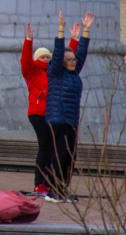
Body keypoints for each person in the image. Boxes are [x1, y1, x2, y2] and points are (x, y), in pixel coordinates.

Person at [20, 22, 79, 194]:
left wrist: (74, 40)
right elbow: (25, 60)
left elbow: (67, 57)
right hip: (38, 114)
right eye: (42, 57)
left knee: (55, 149)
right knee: (46, 146)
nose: (45, 59)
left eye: (47, 57)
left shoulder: (55, 70)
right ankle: (40, 184)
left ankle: (50, 182)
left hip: (53, 115)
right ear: (36, 59)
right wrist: (28, 40)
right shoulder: (33, 71)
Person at [44, 12, 94, 203]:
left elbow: (81, 52)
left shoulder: (74, 74)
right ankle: (52, 191)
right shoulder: (56, 72)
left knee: (69, 158)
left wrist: (86, 30)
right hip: (57, 119)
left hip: (71, 120)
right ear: (62, 63)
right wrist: (61, 30)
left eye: (74, 60)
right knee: (59, 155)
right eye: (70, 60)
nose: (74, 61)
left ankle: (62, 189)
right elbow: (58, 53)